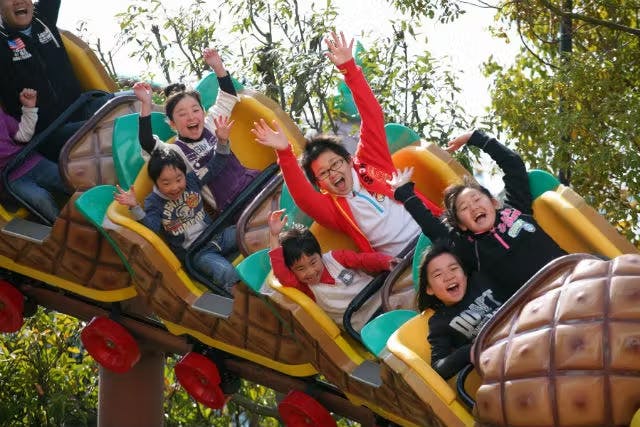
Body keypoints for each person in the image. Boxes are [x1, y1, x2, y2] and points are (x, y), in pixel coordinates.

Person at [251, 31, 442, 256]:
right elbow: (303, 197)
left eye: (335, 164)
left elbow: (372, 116)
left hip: (432, 232)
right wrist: (284, 152)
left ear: (349, 160)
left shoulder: (371, 161)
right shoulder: (335, 210)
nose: (333, 173)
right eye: (324, 173)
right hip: (404, 261)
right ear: (321, 185)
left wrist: (349, 69)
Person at [389, 130, 567, 300]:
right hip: (534, 301)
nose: (474, 207)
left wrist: (476, 138)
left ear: (494, 202)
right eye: (464, 208)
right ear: (462, 225)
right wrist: (405, 193)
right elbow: (432, 227)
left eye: (476, 199)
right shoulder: (470, 248)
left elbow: (514, 166)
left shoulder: (516, 209)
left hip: (567, 274)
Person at [133, 48, 259, 211]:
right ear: (172, 124)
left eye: (195, 110)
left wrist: (218, 67)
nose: (191, 117)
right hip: (234, 205)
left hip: (252, 182)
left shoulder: (211, 123)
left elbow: (228, 96)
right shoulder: (175, 152)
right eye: (182, 114)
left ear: (203, 112)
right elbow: (147, 142)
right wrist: (145, 104)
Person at [114, 134, 240, 293]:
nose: (175, 187)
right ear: (156, 182)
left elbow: (215, 165)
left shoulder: (192, 180)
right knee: (225, 272)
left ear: (184, 174)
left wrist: (222, 141)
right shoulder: (153, 202)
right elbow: (152, 228)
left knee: (245, 231)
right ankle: (241, 300)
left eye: (179, 179)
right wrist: (135, 207)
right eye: (166, 183)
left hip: (216, 236)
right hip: (196, 253)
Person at [0, 0, 110, 161]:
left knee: (130, 103)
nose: (19, 1)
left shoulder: (43, 17)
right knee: (109, 129)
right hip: (48, 133)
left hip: (80, 107)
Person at [268, 208, 398, 331]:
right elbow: (281, 273)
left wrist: (387, 262)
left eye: (313, 262)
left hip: (382, 300)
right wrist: (274, 236)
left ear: (320, 254)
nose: (311, 272)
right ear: (292, 270)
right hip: (365, 326)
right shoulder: (306, 288)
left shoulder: (336, 258)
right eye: (301, 268)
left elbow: (363, 260)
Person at [417, 240, 502, 379]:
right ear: (429, 289)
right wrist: (470, 351)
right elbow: (438, 368)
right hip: (497, 359)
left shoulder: (482, 279)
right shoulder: (439, 322)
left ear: (465, 273)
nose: (449, 277)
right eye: (438, 275)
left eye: (453, 268)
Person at [0, 88, 70, 222]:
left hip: (31, 161)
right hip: (10, 178)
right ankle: (63, 227)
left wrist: (29, 108)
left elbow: (23, 135)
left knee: (69, 179)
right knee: (40, 198)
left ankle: (98, 206)